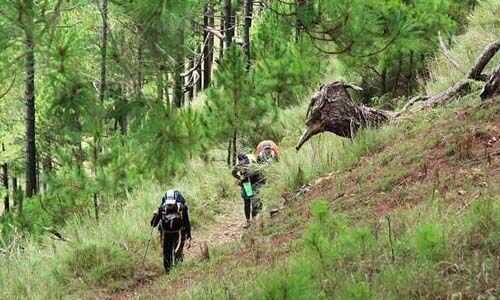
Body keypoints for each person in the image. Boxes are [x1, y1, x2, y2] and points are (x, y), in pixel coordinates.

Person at [150, 190, 192, 274]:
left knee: (178, 253)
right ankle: (168, 273)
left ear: (175, 202)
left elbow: (186, 222)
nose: (170, 206)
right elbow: (153, 224)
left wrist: (188, 237)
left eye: (171, 204)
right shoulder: (162, 209)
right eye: (168, 204)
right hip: (166, 233)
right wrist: (155, 215)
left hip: (179, 233)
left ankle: (178, 273)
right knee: (167, 253)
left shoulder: (181, 209)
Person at [232, 152, 265, 228]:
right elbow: (233, 172)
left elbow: (260, 172)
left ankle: (254, 221)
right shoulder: (239, 165)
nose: (244, 161)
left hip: (255, 184)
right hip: (246, 184)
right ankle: (248, 221)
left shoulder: (252, 162)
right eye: (242, 160)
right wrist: (240, 178)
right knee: (247, 202)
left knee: (255, 203)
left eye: (245, 159)